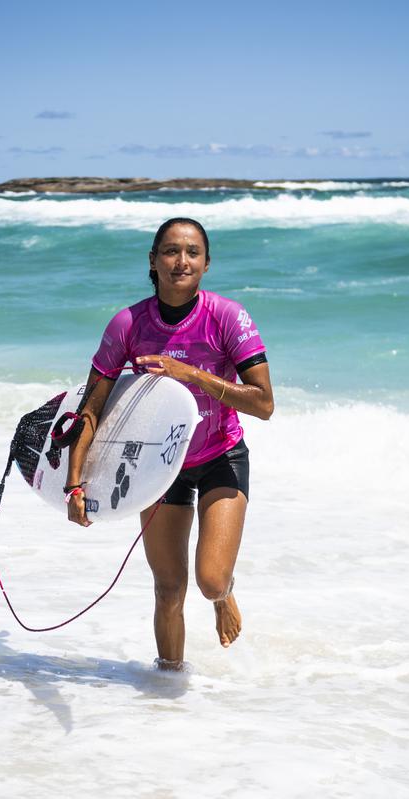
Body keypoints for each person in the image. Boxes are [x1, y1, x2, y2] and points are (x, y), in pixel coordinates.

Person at [64, 217, 274, 669]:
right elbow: (92, 409)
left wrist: (192, 374)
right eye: (171, 252)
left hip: (220, 454)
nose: (182, 261)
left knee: (211, 580)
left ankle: (225, 597)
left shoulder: (227, 316)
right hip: (157, 466)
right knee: (167, 588)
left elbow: (263, 403)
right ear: (153, 261)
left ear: (207, 263)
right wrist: (74, 481)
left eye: (193, 252)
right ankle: (167, 689)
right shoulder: (129, 323)